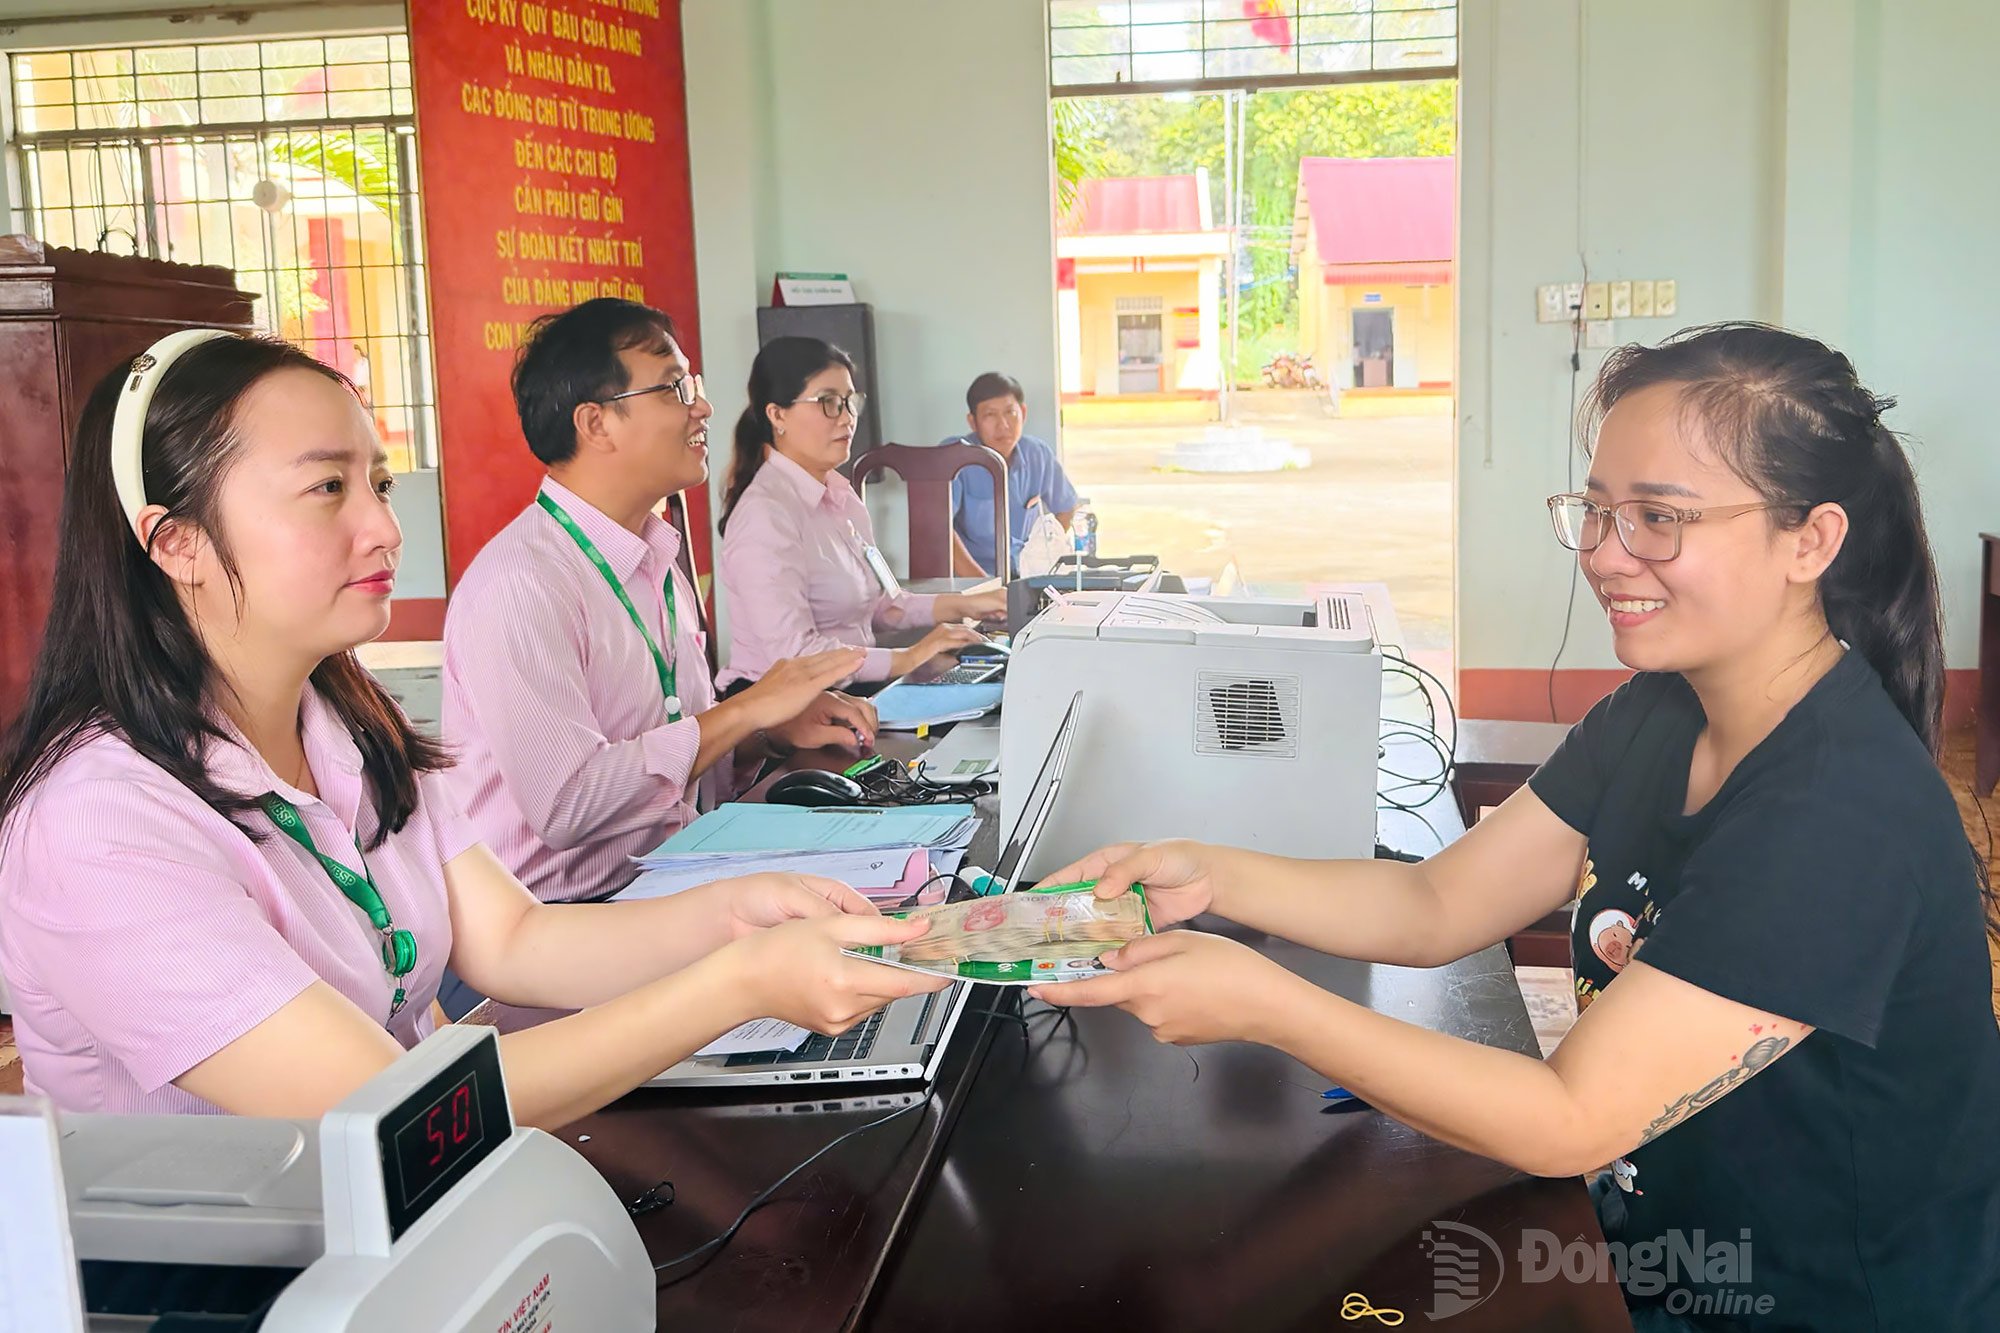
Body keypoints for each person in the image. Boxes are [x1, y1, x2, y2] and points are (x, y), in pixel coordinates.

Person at [1032, 324, 2000, 1329]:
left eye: (1657, 518)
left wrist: (1265, 1003)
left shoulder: (1835, 814)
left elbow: (1566, 1120)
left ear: (1810, 539)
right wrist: (1206, 873)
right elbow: (1435, 900)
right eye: (1595, 510)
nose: (1605, 554)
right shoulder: (1660, 712)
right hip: (1663, 1255)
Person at [0, 331, 946, 1124]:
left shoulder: (340, 719)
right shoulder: (100, 822)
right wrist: (740, 984)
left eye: (377, 482)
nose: (383, 527)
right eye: (329, 489)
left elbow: (517, 938)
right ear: (179, 544)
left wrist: (746, 914)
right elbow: (383, 1108)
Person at [441, 300, 878, 914]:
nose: (702, 407)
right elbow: (568, 806)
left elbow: (676, 766)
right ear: (596, 424)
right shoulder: (523, 583)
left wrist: (765, 734)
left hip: (670, 877)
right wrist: (748, 709)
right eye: (675, 388)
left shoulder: (653, 558)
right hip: (561, 926)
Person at [718, 337, 1004, 690]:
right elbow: (795, 654)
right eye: (828, 403)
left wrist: (971, 605)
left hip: (845, 689)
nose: (847, 419)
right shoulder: (765, 515)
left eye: (850, 403)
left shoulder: (839, 494)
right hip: (787, 709)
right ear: (777, 414)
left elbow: (880, 605)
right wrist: (909, 658)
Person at [944, 372, 1078, 577]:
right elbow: (939, 527)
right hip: (973, 580)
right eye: (990, 415)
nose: (1003, 425)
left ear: (1023, 413)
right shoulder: (955, 456)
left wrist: (1043, 553)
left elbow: (1066, 507)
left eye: (1010, 413)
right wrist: (982, 586)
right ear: (973, 422)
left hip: (1026, 576)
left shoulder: (1037, 453)